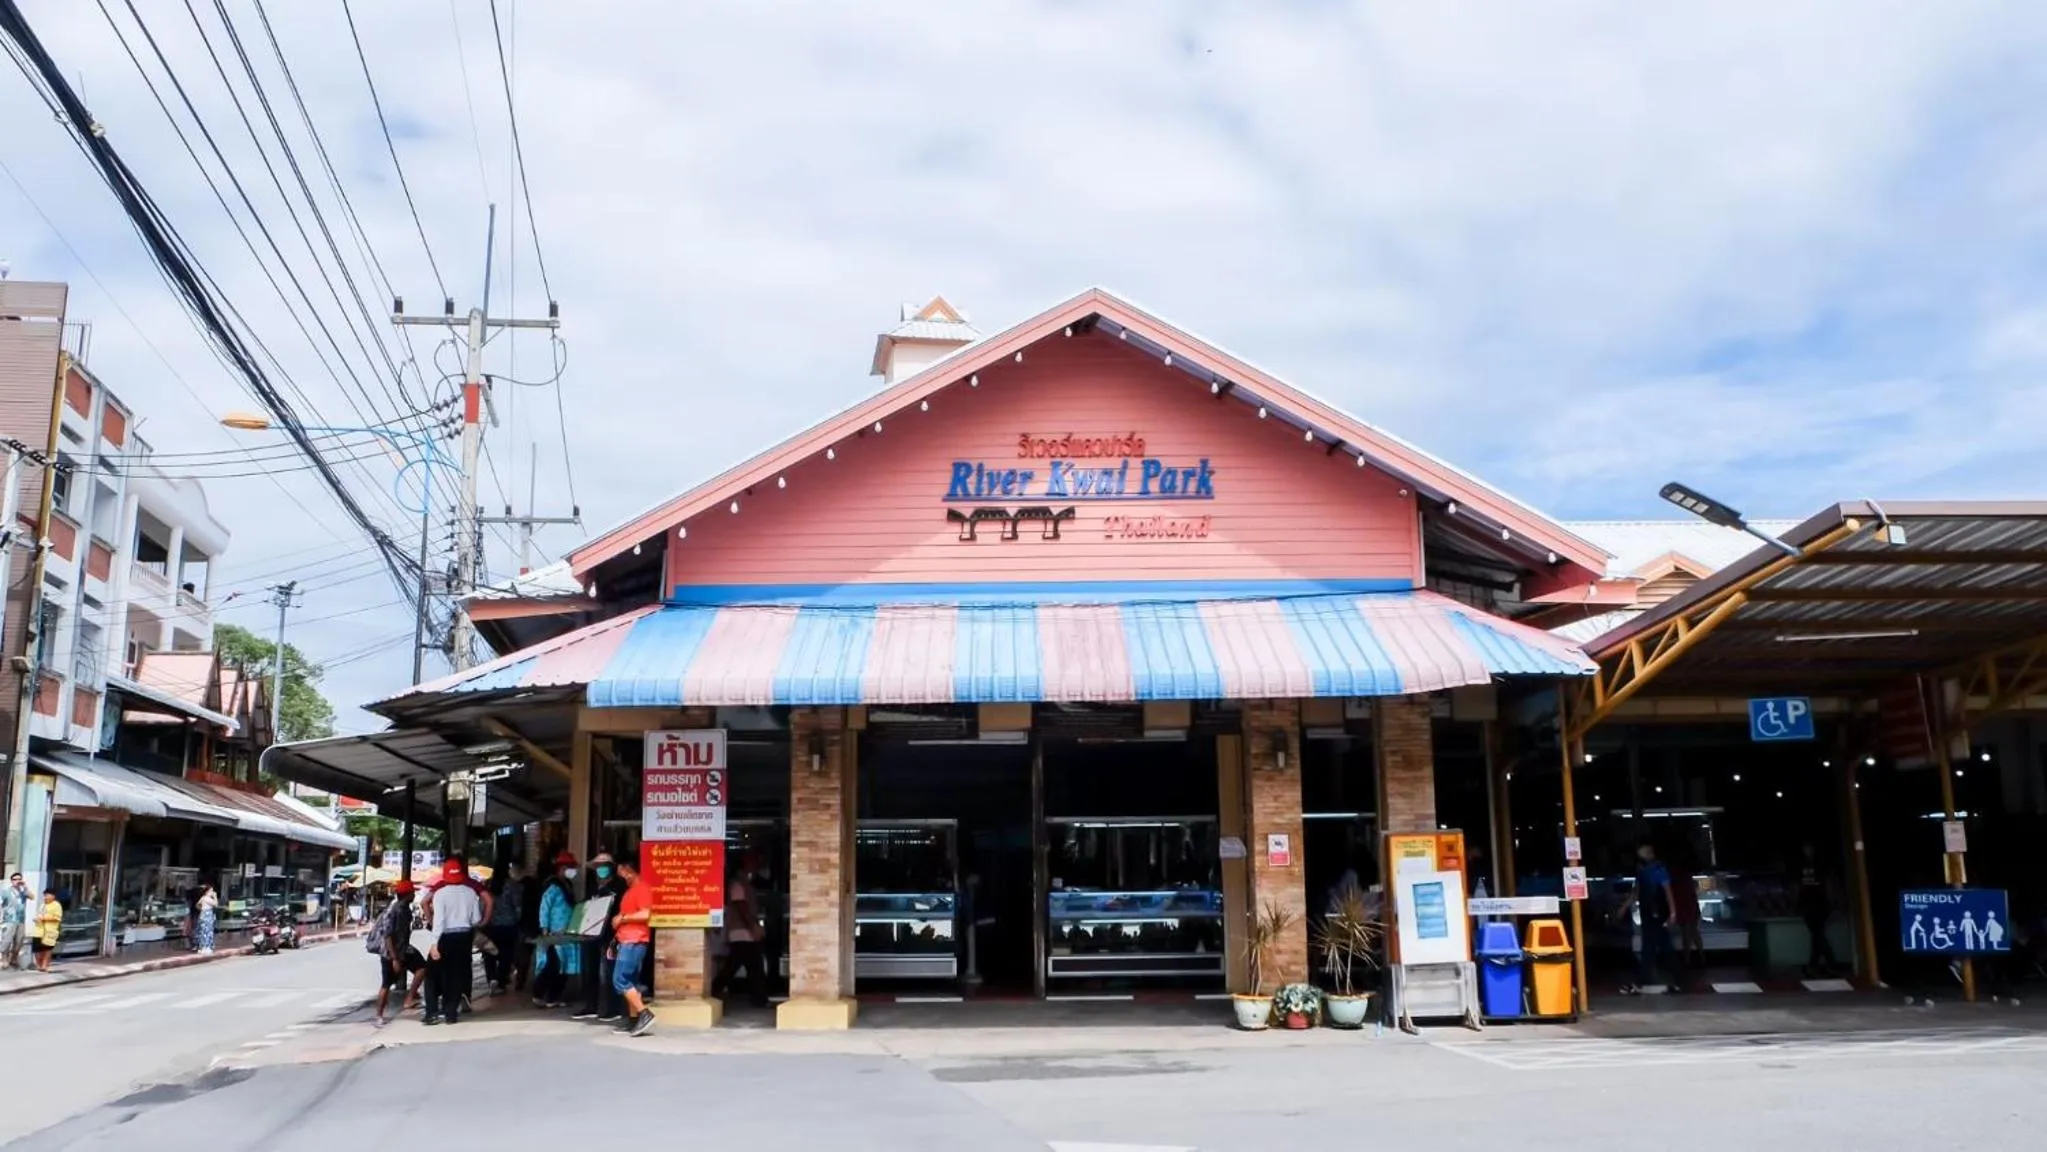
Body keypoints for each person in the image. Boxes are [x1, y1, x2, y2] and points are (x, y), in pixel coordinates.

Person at [423, 856, 484, 1025]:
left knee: (432, 975)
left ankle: (432, 1013)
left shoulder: (440, 894)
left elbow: (439, 921)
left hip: (445, 937)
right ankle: (451, 1014)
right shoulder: (471, 893)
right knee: (456, 975)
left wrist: (434, 944)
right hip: (464, 937)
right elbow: (476, 919)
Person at [1614, 840, 1676, 994]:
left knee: (1652, 948)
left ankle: (1643, 982)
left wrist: (1672, 912)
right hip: (1649, 914)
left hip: (1655, 913)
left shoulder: (1657, 870)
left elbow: (1667, 891)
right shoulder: (1645, 871)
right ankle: (1676, 980)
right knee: (1659, 947)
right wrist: (1624, 907)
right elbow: (1636, 893)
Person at [574, 850, 627, 1023]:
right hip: (591, 935)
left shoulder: (619, 887)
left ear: (611, 868)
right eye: (598, 866)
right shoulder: (593, 888)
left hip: (611, 936)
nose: (601, 869)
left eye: (604, 866)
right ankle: (591, 1006)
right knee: (590, 971)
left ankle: (613, 1009)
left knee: (609, 972)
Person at [608, 851, 657, 1037]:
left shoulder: (642, 889)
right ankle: (634, 1020)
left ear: (628, 870)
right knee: (631, 982)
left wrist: (622, 918)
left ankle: (644, 1014)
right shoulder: (630, 891)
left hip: (634, 940)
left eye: (620, 871)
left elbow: (646, 914)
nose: (618, 875)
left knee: (620, 980)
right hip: (627, 940)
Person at [712, 859, 769, 1009]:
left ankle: (759, 998)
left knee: (741, 966)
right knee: (750, 967)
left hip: (744, 933)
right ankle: (759, 999)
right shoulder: (738, 884)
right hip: (742, 933)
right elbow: (741, 906)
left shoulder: (745, 883)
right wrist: (753, 926)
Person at [533, 852, 581, 1008]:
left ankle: (553, 997)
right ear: (562, 868)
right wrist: (544, 928)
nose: (573, 871)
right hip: (553, 933)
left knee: (565, 967)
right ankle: (538, 994)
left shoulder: (567, 885)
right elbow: (544, 907)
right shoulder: (553, 885)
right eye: (570, 867)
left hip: (567, 932)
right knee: (553, 965)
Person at [371, 881, 419, 1027]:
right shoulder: (394, 911)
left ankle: (409, 999)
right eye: (412, 892)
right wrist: (395, 959)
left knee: (422, 968)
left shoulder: (405, 910)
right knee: (386, 984)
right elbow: (387, 936)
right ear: (407, 895)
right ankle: (379, 1015)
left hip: (403, 949)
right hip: (390, 952)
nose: (414, 895)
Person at [1796, 842, 1840, 977]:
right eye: (1806, 848)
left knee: (1817, 934)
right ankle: (1823, 964)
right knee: (1817, 935)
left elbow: (1828, 884)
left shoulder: (1821, 865)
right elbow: (1798, 886)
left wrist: (1831, 902)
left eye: (1809, 848)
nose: (1808, 850)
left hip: (1820, 903)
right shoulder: (1801, 865)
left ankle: (1821, 964)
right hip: (1808, 903)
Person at [483, 868, 523, 995]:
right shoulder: (512, 885)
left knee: (489, 952)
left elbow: (482, 903)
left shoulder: (488, 884)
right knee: (506, 954)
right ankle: (500, 982)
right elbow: (518, 906)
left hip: (490, 924)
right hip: (508, 925)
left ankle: (491, 978)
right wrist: (518, 920)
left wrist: (483, 921)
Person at [1669, 852, 1705, 975]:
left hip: (1682, 903)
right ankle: (1700, 957)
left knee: (1686, 932)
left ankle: (1687, 959)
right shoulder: (1687, 875)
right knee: (1693, 931)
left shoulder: (1674, 875)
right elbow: (1694, 886)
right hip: (1690, 902)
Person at [1, 873, 27, 970]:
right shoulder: (6, 892)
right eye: (15, 879)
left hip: (21, 920)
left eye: (19, 879)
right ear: (11, 881)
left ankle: (14, 959)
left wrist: (25, 886)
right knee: (7, 941)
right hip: (9, 920)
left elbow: (32, 897)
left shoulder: (23, 892)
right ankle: (4, 959)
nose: (17, 881)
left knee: (19, 941)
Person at [32, 888, 63, 972]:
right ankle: (38, 965)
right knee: (37, 949)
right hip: (38, 930)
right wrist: (36, 919)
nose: (45, 897)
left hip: (49, 931)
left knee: (47, 949)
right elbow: (39, 915)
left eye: (47, 895)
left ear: (53, 896)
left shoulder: (56, 905)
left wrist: (44, 918)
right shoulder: (42, 905)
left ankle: (45, 966)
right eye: (44, 895)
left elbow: (57, 918)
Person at [194, 884, 219, 955]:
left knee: (203, 931)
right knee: (207, 931)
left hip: (203, 915)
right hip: (207, 916)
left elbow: (197, 905)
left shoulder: (203, 898)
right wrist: (215, 896)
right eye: (211, 891)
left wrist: (202, 909)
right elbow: (216, 904)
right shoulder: (207, 898)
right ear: (207, 891)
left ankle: (201, 947)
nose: (212, 892)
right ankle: (206, 948)